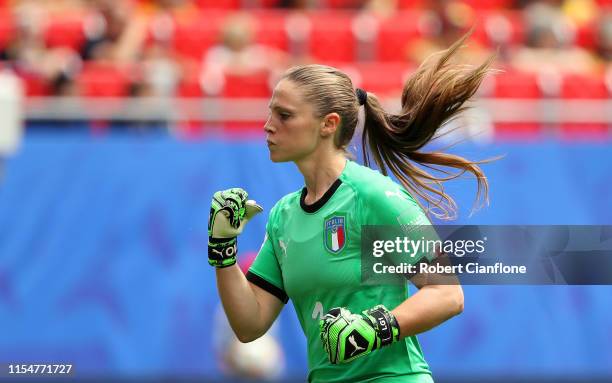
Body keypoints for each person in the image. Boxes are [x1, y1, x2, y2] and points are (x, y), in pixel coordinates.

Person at [207, 33, 493, 382]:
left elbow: (447, 292)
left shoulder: (372, 196)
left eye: (284, 115)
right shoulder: (283, 216)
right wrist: (222, 250)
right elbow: (249, 325)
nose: (268, 125)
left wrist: (373, 328)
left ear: (329, 124)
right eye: (270, 113)